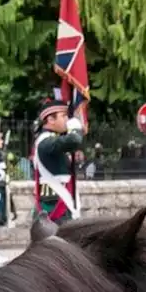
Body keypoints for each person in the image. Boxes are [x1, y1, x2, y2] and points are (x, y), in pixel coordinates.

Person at [31, 88, 84, 224]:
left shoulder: (53, 139)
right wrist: (75, 129)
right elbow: (75, 140)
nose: (67, 119)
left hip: (60, 202)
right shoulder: (45, 141)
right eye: (64, 116)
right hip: (54, 206)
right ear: (50, 119)